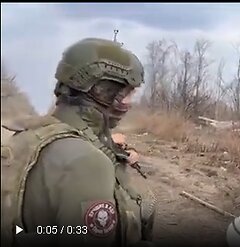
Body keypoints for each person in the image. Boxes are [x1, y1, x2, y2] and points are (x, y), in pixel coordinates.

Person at [1, 38, 155, 247]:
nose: (129, 103)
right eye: (127, 93)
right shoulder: (88, 161)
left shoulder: (30, 134)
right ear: (102, 91)